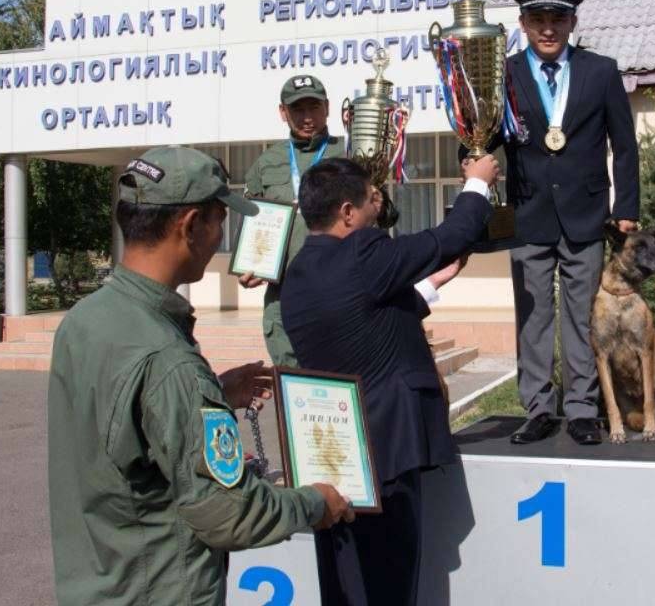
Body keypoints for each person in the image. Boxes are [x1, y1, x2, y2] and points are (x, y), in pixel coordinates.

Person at [47, 146, 352, 606]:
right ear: (190, 225)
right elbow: (227, 513)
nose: (221, 240)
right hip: (158, 590)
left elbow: (119, 430)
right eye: (220, 222)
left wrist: (214, 393)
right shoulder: (170, 363)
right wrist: (315, 503)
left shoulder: (86, 320)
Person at [280, 154, 499, 605]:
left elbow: (360, 317)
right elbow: (453, 235)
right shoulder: (363, 251)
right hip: (386, 456)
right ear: (346, 213)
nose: (376, 211)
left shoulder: (299, 273)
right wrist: (477, 183)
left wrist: (430, 285)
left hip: (333, 461)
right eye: (369, 203)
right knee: (392, 582)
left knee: (345, 581)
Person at [485, 0, 640, 446]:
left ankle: (581, 407)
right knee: (532, 316)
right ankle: (536, 407)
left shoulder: (601, 71)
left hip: (586, 214)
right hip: (527, 215)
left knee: (580, 316)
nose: (547, 28)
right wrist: (471, 150)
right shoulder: (503, 73)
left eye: (557, 18)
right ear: (523, 22)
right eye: (537, 19)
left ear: (573, 22)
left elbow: (625, 144)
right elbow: (485, 137)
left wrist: (626, 205)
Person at [239, 74, 346, 366]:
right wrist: (251, 264)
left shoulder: (349, 153)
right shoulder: (266, 162)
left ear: (327, 107)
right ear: (283, 112)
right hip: (283, 297)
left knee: (341, 385)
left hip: (339, 292)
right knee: (291, 385)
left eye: (314, 107)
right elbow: (254, 225)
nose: (307, 117)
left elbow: (379, 216)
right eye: (298, 109)